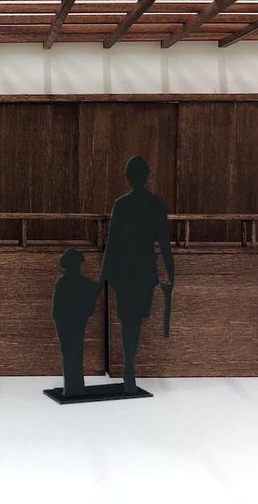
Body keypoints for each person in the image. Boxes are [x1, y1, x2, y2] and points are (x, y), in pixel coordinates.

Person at [99, 156, 174, 394]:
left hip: (125, 271)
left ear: (129, 177)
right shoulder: (155, 203)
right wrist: (170, 272)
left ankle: (129, 366)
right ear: (146, 176)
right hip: (143, 271)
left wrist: (103, 275)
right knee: (135, 320)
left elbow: (112, 244)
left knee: (129, 320)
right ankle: (129, 367)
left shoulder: (121, 204)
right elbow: (164, 243)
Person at [52, 248, 103, 397]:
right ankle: (73, 389)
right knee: (73, 356)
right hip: (70, 325)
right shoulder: (70, 282)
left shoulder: (67, 282)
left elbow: (95, 288)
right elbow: (57, 310)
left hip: (70, 325)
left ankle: (74, 388)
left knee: (72, 356)